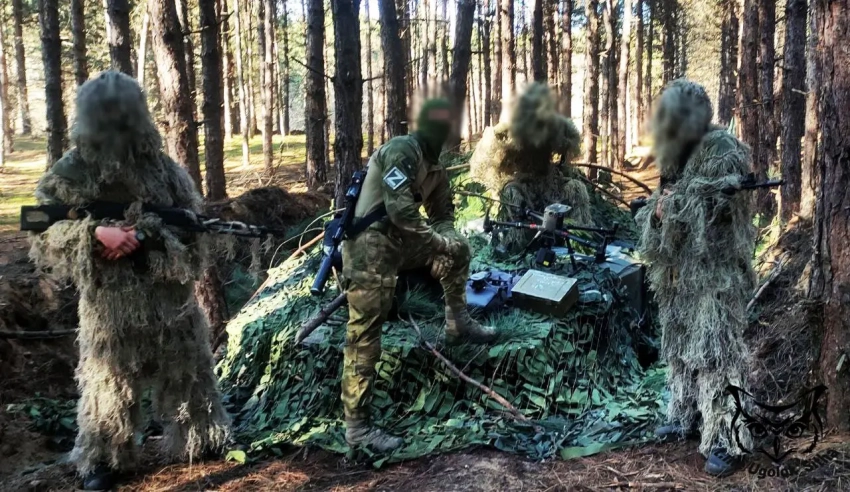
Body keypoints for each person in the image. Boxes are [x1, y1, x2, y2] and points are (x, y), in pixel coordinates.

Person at [28, 71, 230, 490]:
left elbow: (192, 225)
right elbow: (40, 224)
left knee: (190, 371)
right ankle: (104, 458)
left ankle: (201, 437)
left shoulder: (164, 171)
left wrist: (147, 235)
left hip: (170, 300)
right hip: (110, 305)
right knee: (108, 384)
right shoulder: (73, 171)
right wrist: (94, 234)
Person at [341, 98, 498, 453]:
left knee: (460, 249)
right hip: (369, 246)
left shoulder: (436, 168)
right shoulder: (402, 150)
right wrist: (438, 244)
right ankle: (357, 428)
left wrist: (447, 246)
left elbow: (442, 217)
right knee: (364, 336)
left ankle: (458, 323)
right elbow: (401, 212)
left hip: (401, 245)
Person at [635, 79, 756, 477]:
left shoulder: (722, 149)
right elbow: (664, 200)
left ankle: (727, 438)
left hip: (714, 273)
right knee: (680, 347)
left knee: (717, 353)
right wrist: (658, 211)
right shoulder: (675, 154)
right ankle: (686, 415)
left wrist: (673, 206)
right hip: (679, 273)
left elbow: (721, 210)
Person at [468, 83, 590, 254]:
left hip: (550, 183)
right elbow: (498, 156)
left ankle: (578, 242)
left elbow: (566, 146)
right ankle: (519, 246)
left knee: (577, 188)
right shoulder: (514, 129)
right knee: (512, 194)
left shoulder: (555, 127)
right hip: (524, 186)